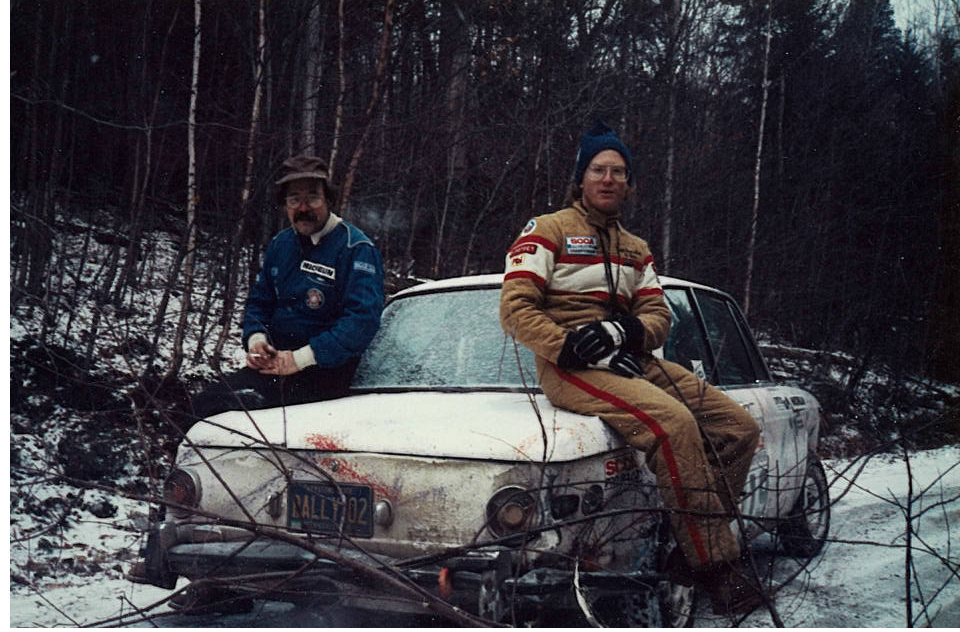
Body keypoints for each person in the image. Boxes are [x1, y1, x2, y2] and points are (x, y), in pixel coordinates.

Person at [499, 120, 764, 615]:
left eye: (618, 172)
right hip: (570, 367)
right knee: (673, 425)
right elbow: (515, 309)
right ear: (581, 178)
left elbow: (659, 316)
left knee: (739, 428)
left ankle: (692, 547)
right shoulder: (548, 230)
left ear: (629, 183)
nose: (608, 179)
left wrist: (624, 332)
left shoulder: (635, 248)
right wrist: (575, 345)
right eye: (598, 169)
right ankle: (716, 567)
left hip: (631, 358)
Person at [189, 154, 385, 423]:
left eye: (313, 197)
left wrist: (300, 359)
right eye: (294, 199)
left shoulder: (356, 249)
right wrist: (257, 341)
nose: (303, 207)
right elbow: (259, 302)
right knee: (204, 407)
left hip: (325, 373)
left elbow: (362, 321)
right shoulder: (281, 244)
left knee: (252, 419)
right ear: (285, 205)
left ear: (329, 199)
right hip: (277, 366)